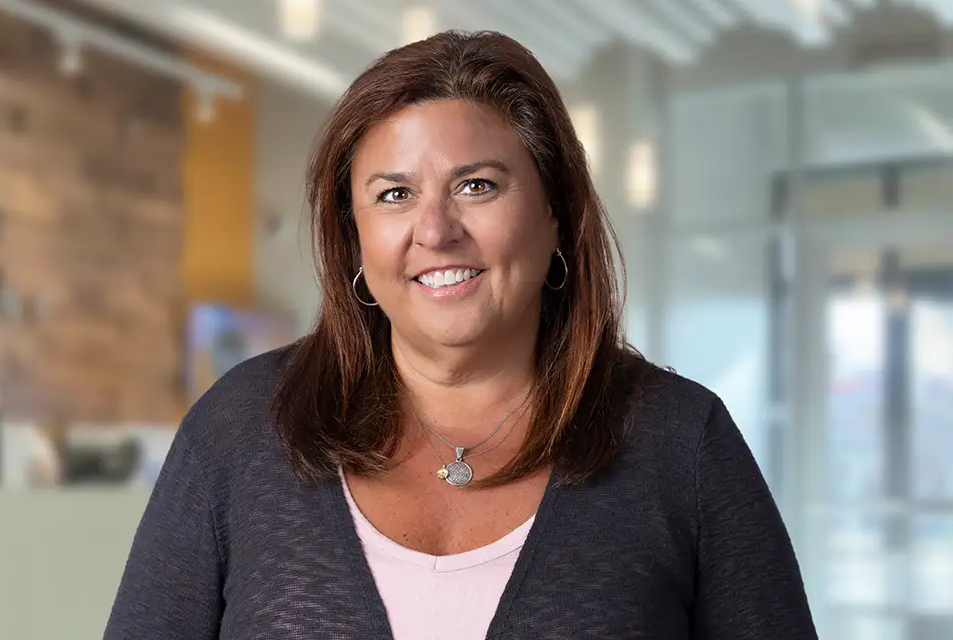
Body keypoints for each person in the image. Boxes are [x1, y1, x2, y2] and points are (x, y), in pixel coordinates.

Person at [105, 30, 816, 639]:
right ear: (354, 241)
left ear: (555, 214)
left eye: (477, 185)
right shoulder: (237, 433)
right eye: (394, 194)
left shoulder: (682, 444)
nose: (437, 230)